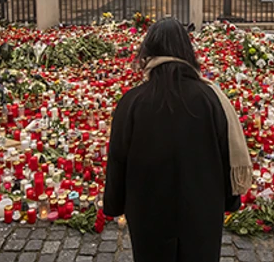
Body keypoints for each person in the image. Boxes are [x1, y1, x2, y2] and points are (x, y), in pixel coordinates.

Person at [103, 18, 251, 262]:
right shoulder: (211, 99)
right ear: (186, 52)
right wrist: (230, 200)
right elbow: (227, 153)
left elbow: (118, 159)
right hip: (201, 211)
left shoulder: (132, 102)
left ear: (147, 53)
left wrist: (114, 203)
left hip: (148, 212)